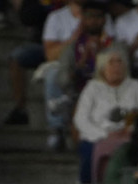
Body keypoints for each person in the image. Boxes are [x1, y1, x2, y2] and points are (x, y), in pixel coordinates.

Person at [73, 45, 138, 184]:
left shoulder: (136, 86)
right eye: (112, 62)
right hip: (98, 137)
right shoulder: (92, 87)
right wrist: (105, 134)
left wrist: (131, 130)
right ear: (102, 67)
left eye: (120, 62)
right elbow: (80, 119)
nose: (117, 66)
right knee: (89, 151)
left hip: (129, 136)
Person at [44, 0, 115, 151]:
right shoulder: (72, 47)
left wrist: (99, 54)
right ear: (83, 18)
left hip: (107, 92)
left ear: (104, 20)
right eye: (90, 17)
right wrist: (82, 61)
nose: (94, 21)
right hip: (79, 92)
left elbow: (117, 74)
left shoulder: (113, 45)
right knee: (56, 77)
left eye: (98, 17)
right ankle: (59, 130)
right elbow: (64, 79)